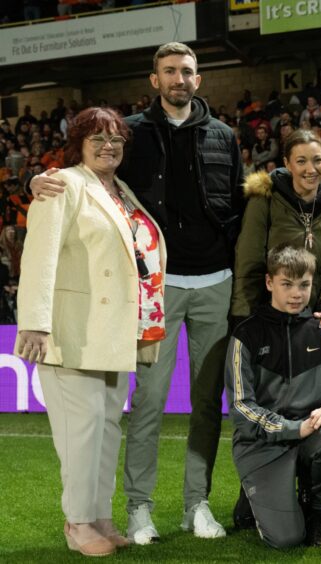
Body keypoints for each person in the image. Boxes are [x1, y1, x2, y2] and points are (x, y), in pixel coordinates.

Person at [30, 42, 243, 543]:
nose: (179, 79)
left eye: (187, 71)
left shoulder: (224, 136)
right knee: (148, 404)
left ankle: (197, 504)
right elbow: (84, 180)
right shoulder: (128, 134)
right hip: (156, 291)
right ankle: (139, 508)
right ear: (154, 80)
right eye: (169, 71)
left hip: (215, 281)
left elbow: (234, 203)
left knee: (208, 404)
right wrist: (38, 180)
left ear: (199, 78)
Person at [16, 107, 167, 556]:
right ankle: (78, 521)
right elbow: (38, 257)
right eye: (98, 138)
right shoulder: (62, 183)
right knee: (80, 432)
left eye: (116, 138)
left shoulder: (120, 189)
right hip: (70, 331)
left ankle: (100, 516)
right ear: (78, 143)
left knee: (106, 430)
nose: (109, 145)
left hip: (112, 333)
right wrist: (37, 325)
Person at [226, 245, 321, 549]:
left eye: (304, 285)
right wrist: (295, 429)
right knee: (285, 539)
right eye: (287, 284)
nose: (297, 293)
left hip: (311, 436)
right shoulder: (246, 335)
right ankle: (251, 497)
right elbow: (242, 409)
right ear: (270, 283)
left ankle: (316, 510)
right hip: (262, 445)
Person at [232, 129, 321, 323]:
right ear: (287, 164)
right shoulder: (265, 198)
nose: (311, 169)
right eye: (301, 161)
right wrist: (243, 314)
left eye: (317, 160)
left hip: (317, 315)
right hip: (268, 312)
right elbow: (248, 261)